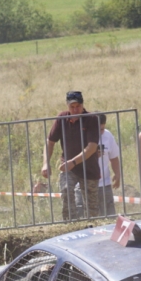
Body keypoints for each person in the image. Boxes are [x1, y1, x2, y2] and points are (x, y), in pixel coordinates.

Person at [41, 91, 100, 220]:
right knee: (66, 190)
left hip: (89, 169)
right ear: (67, 106)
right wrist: (46, 163)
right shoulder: (62, 118)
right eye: (72, 107)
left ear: (83, 105)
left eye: (77, 106)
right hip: (68, 168)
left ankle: (92, 228)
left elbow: (92, 147)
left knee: (92, 208)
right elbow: (49, 142)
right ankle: (70, 224)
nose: (75, 109)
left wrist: (73, 162)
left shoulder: (91, 119)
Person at [95, 113, 121, 216]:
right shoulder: (82, 135)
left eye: (102, 129)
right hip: (86, 185)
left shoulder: (108, 135)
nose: (100, 132)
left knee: (109, 217)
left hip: (104, 184)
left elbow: (114, 157)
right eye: (96, 129)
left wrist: (117, 174)